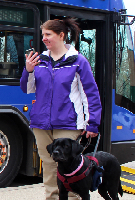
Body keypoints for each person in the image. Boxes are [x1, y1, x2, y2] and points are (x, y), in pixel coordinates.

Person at [20, 18, 102, 200]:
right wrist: (28, 70)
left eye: (48, 34)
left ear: (61, 35)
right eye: (43, 35)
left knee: (69, 166)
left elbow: (91, 94)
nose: (44, 39)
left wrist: (92, 123)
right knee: (49, 166)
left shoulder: (78, 61)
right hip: (41, 124)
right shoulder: (39, 60)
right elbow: (27, 89)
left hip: (68, 123)